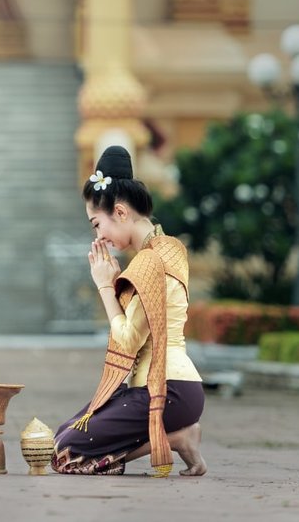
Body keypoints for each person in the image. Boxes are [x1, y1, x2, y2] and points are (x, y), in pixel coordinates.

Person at [51, 145, 207, 477]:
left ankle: (176, 437)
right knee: (64, 434)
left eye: (97, 224)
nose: (99, 237)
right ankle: (175, 435)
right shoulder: (167, 249)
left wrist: (105, 285)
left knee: (66, 452)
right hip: (170, 386)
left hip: (168, 389)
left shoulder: (152, 261)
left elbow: (128, 339)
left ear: (120, 213)